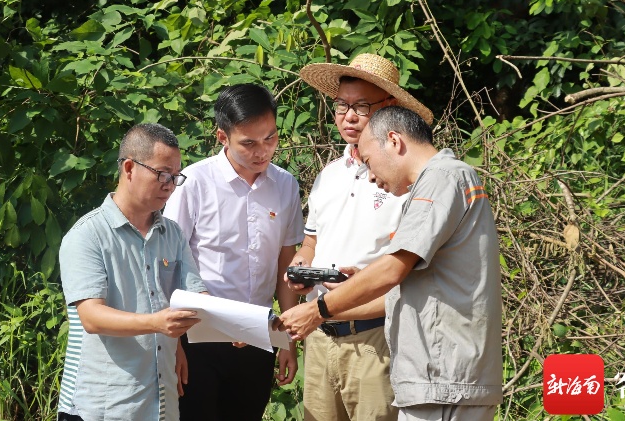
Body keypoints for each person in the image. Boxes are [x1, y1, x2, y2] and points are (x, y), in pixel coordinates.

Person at [279, 106, 503, 421]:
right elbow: (406, 279)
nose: (371, 174)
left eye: (369, 161)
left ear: (394, 141)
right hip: (434, 380)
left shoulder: (442, 177)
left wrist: (316, 309)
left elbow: (393, 268)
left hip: (443, 378)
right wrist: (355, 285)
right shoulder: (441, 179)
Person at [285, 53, 434, 421]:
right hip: (319, 335)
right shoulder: (330, 174)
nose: (349, 117)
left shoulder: (408, 179)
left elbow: (404, 273)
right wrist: (302, 267)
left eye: (362, 106)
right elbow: (311, 241)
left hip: (375, 339)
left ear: (390, 108)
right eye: (341, 106)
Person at [162, 84, 304, 421]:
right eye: (249, 143)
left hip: (258, 335)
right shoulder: (194, 183)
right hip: (198, 337)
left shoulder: (285, 185)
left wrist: (286, 340)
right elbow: (170, 261)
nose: (263, 152)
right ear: (222, 137)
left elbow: (287, 261)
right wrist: (175, 344)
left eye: (270, 138)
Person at [57, 122, 207, 421]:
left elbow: (195, 296)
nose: (170, 185)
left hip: (162, 401)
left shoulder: (172, 233)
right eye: (162, 174)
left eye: (176, 177)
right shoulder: (88, 235)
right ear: (129, 168)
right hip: (103, 405)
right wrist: (157, 323)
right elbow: (92, 317)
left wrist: (236, 327)